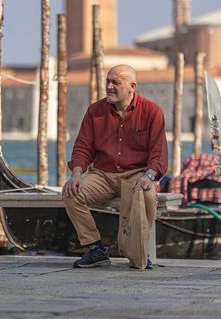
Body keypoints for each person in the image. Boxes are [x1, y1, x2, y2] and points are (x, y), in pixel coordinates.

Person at [62, 64, 168, 268]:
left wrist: (149, 176)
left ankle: (138, 253)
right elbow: (83, 147)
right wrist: (76, 173)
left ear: (132, 86)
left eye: (115, 83)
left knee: (147, 195)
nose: (109, 86)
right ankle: (95, 248)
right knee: (71, 193)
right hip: (102, 175)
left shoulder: (152, 111)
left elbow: (159, 152)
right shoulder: (95, 111)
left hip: (136, 174)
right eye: (108, 82)